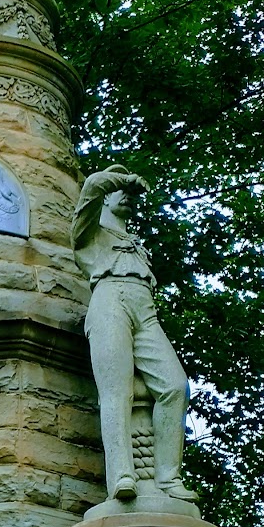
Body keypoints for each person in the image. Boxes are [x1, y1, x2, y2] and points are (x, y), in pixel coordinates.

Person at [71, 166, 194, 509]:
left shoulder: (135, 245)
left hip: (145, 310)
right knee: (117, 391)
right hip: (110, 303)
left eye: (128, 193)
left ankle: (168, 477)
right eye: (118, 191)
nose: (125, 195)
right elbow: (94, 186)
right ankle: (122, 476)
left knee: (174, 386)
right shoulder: (90, 231)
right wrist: (124, 178)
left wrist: (125, 185)